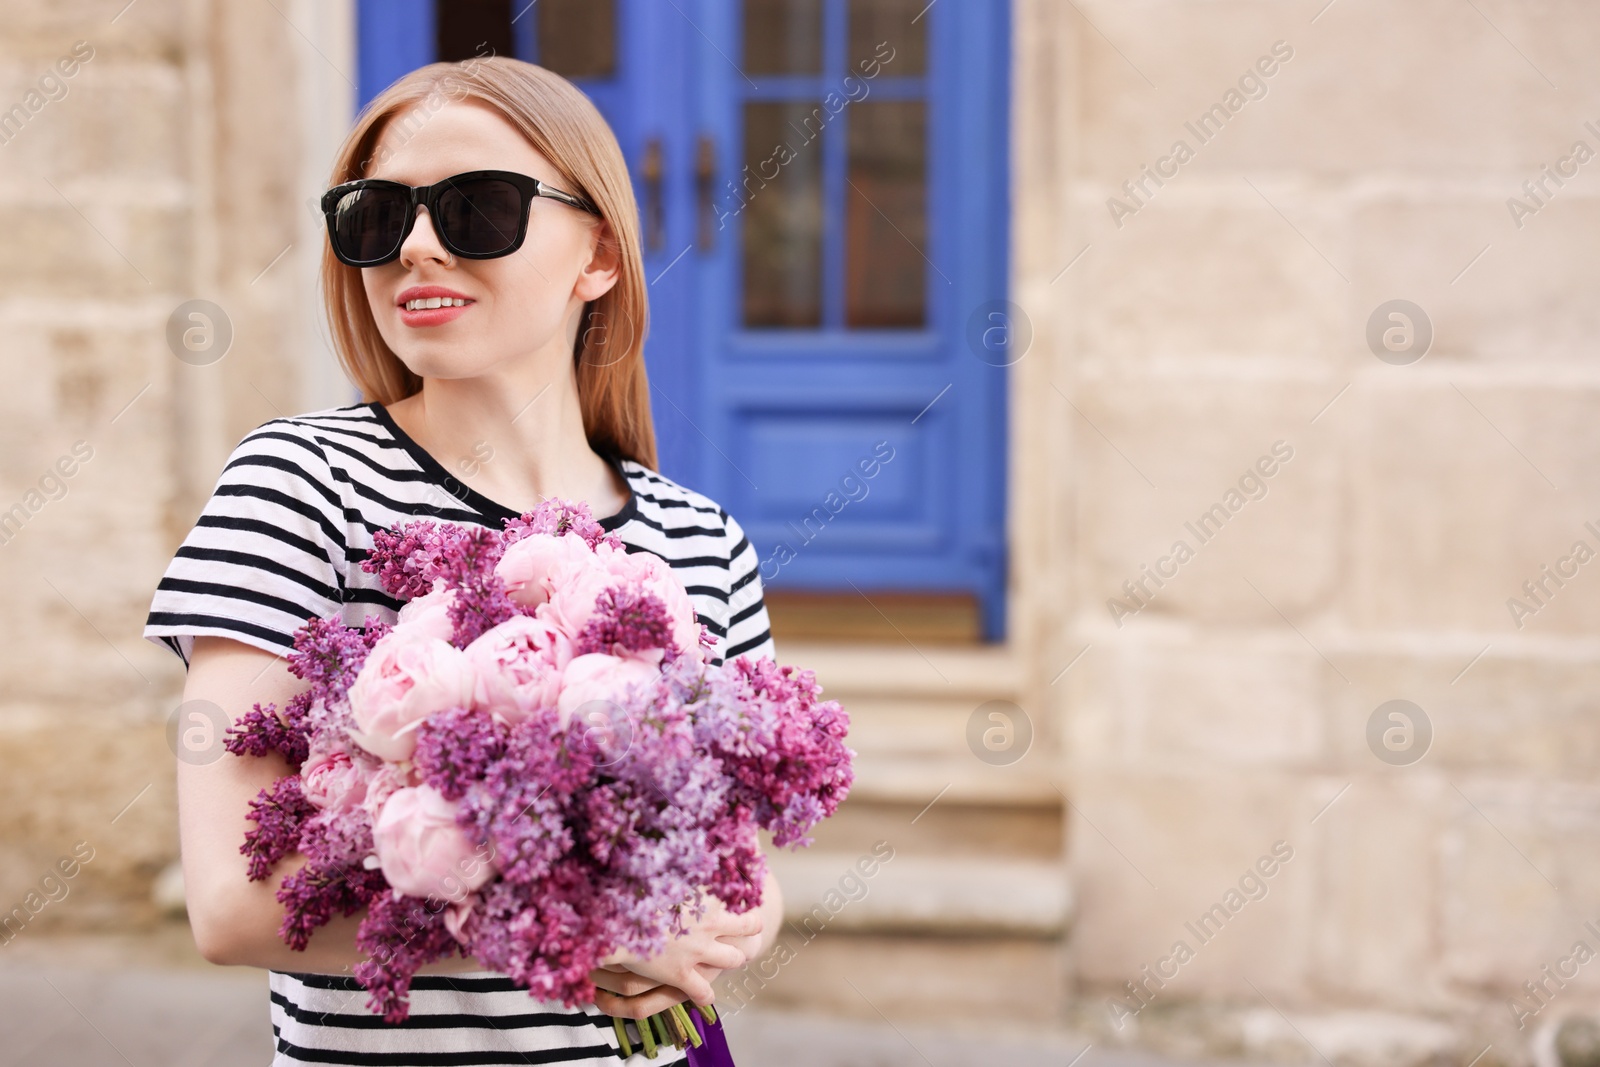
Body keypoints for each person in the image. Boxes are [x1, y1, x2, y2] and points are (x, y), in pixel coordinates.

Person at [143, 56, 783, 1066]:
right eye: (376, 216)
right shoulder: (298, 485)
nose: (418, 246)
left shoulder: (701, 539)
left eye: (477, 208)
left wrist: (716, 919)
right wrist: (578, 932)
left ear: (600, 256)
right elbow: (231, 900)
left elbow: (741, 880)